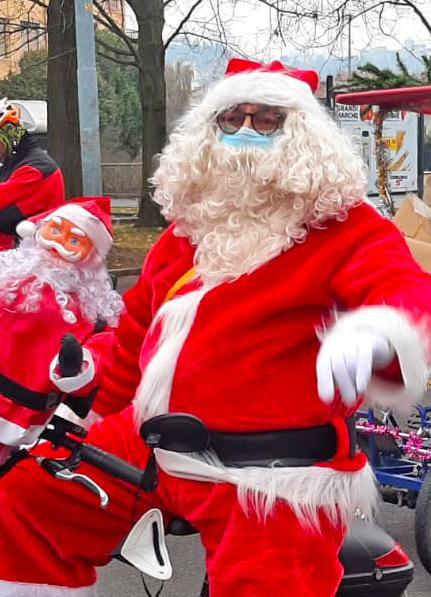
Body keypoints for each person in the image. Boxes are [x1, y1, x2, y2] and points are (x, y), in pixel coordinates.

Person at [0, 57, 430, 597]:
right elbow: (136, 333)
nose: (247, 132)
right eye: (233, 120)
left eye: (267, 121)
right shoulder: (187, 231)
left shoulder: (348, 228)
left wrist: (379, 335)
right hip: (151, 444)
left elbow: (403, 288)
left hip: (270, 473)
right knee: (28, 500)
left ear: (303, 138)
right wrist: (88, 413)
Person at [0, 196, 123, 467]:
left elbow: (101, 352)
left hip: (14, 411)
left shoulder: (91, 312)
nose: (58, 244)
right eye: (54, 230)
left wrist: (75, 366)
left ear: (92, 257)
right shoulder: (7, 271)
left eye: (74, 241)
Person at [0, 98, 65, 251]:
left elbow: (3, 197)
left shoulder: (35, 168)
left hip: (35, 257)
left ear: (9, 134)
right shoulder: (14, 162)